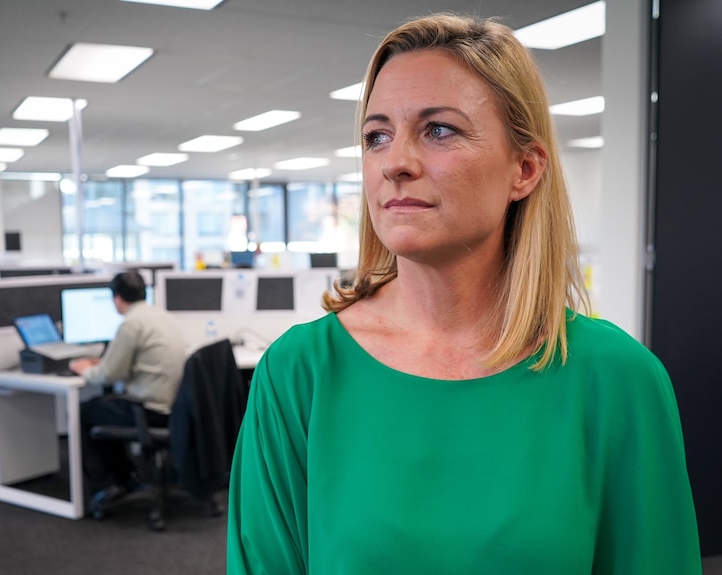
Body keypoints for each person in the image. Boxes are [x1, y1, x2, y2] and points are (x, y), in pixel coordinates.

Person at [226, 13, 701, 575]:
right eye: (377, 136)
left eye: (439, 130)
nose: (395, 162)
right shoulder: (301, 373)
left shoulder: (618, 380)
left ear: (524, 169)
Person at [69, 270, 187, 513]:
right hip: (173, 405)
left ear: (117, 298)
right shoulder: (161, 316)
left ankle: (107, 485)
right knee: (104, 406)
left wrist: (81, 368)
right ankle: (126, 476)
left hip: (149, 408)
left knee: (84, 411)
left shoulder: (132, 323)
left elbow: (108, 375)